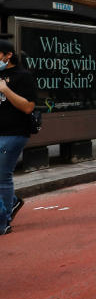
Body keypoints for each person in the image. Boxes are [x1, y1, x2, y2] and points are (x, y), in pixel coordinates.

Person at [0, 39, 36, 235]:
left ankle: (3, 222)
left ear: (8, 55)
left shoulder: (23, 76)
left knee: (2, 176)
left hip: (13, 133)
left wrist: (6, 90)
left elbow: (28, 107)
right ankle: (12, 202)